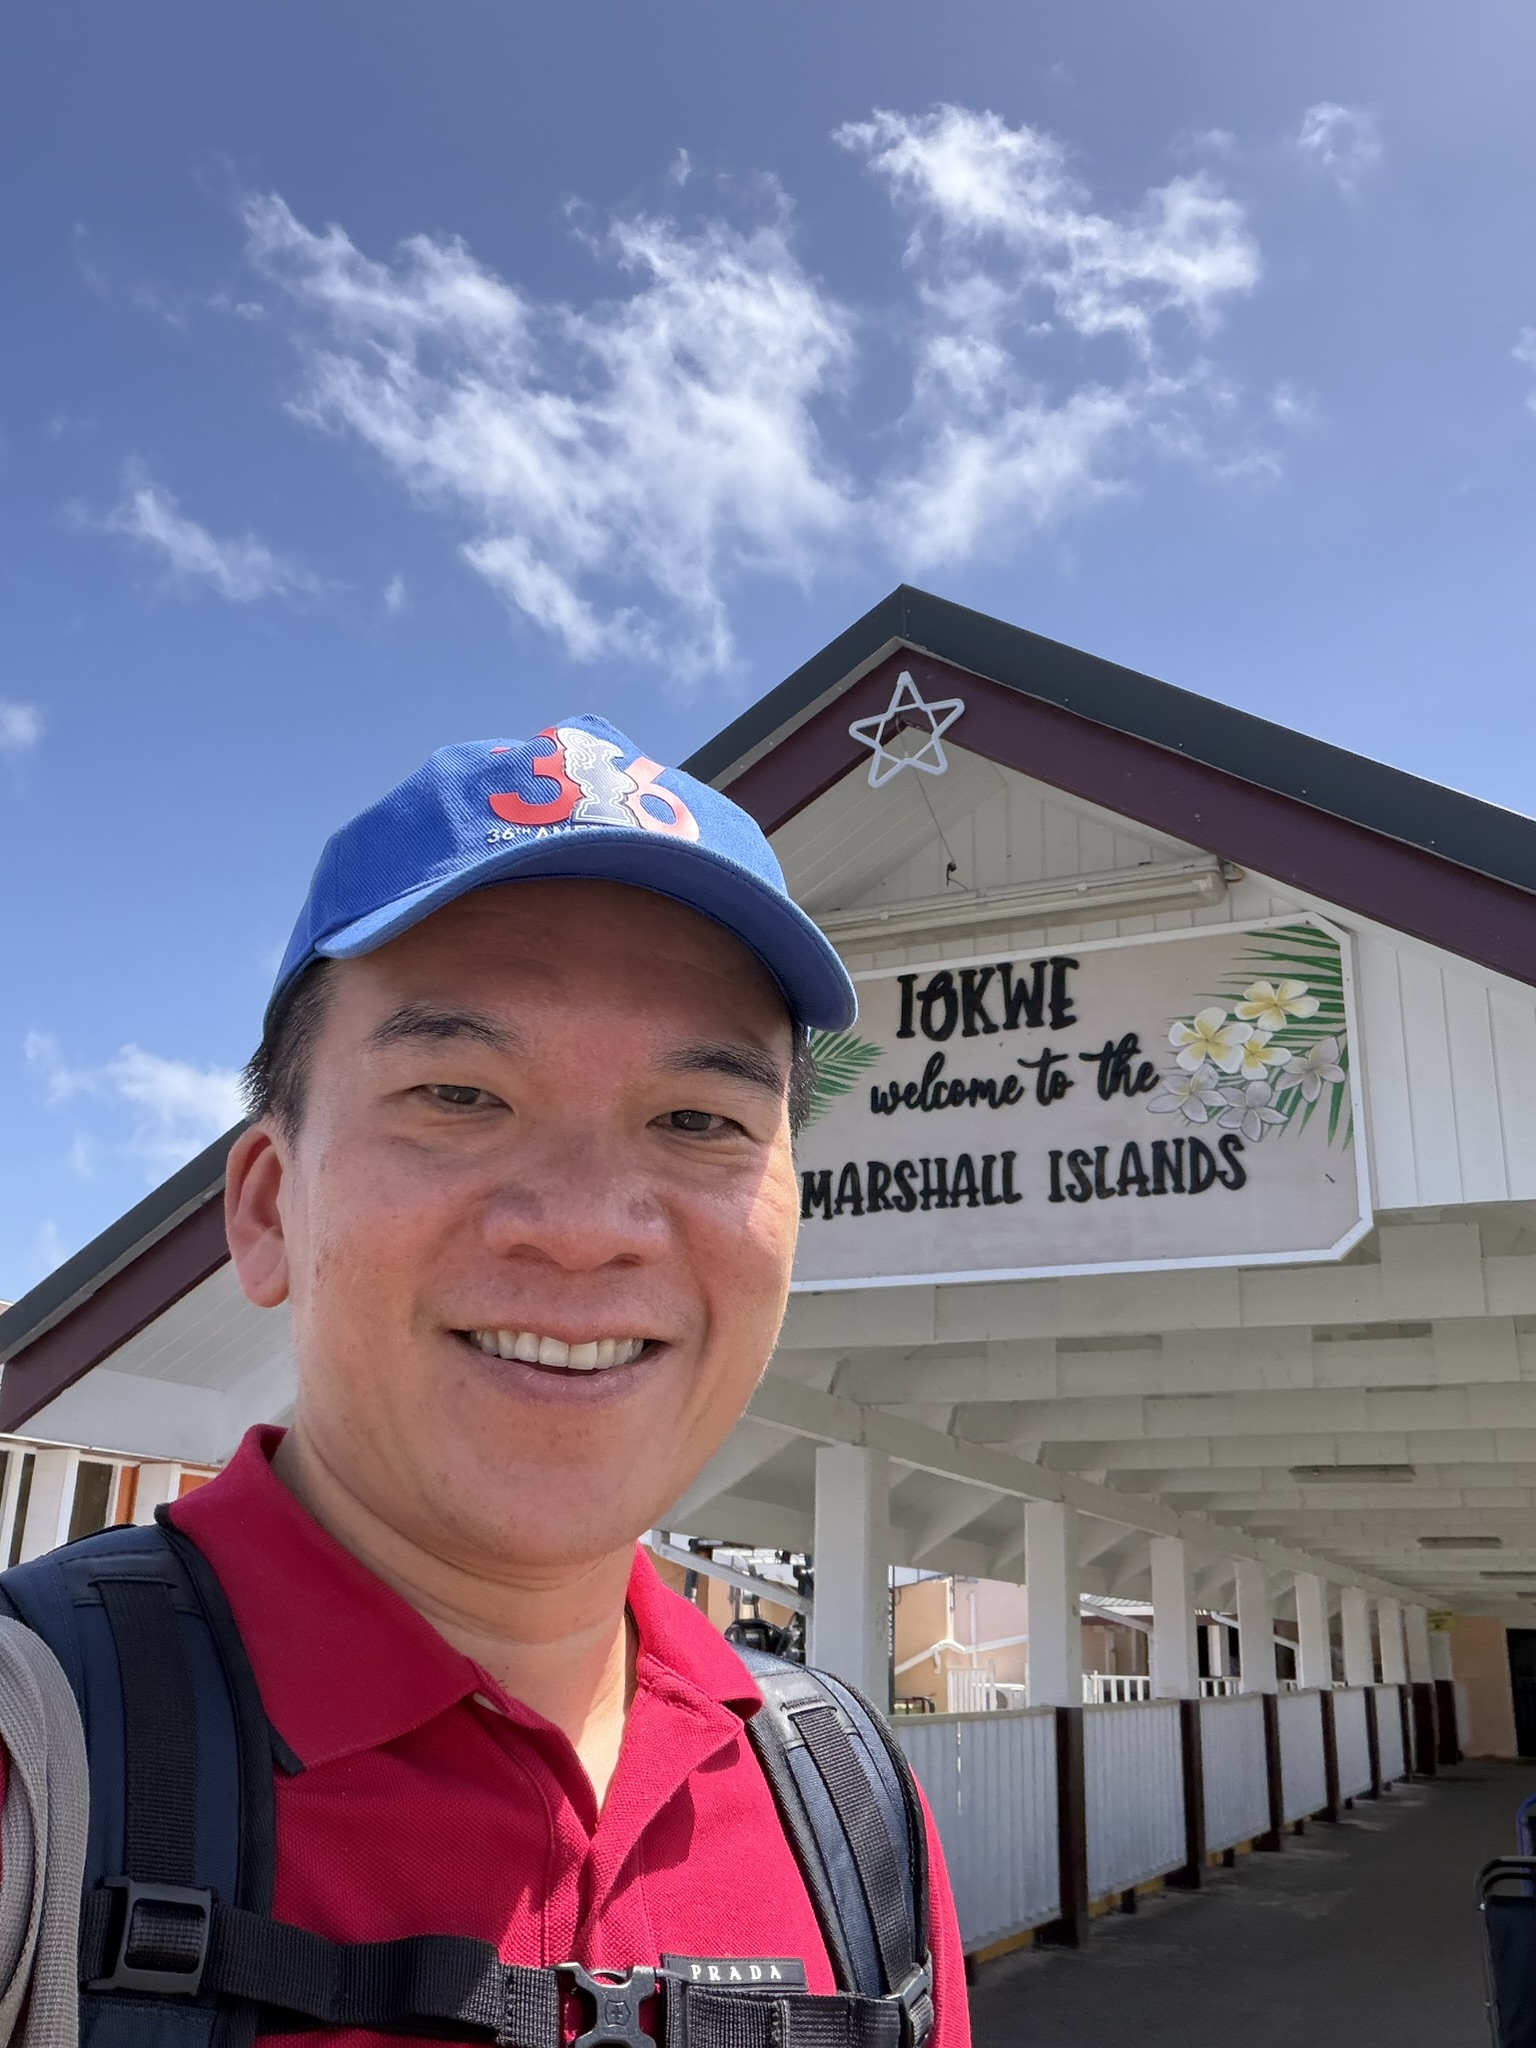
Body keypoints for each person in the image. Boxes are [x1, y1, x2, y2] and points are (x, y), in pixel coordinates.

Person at [0, 715, 968, 2048]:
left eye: (699, 1120)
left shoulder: (845, 1809)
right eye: (459, 1094)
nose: (583, 1224)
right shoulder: (34, 1770)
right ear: (268, 1209)